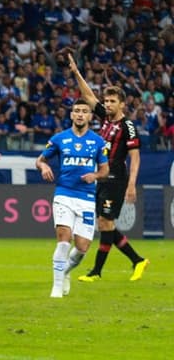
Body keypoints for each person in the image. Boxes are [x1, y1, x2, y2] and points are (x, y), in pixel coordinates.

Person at [67, 54, 149, 282]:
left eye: (113, 101)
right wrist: (75, 72)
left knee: (105, 223)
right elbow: (88, 96)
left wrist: (132, 185)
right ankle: (137, 260)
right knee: (105, 223)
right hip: (100, 177)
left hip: (116, 178)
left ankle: (96, 271)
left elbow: (135, 157)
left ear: (122, 104)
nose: (108, 104)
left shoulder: (128, 126)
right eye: (107, 100)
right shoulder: (105, 119)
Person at [36, 99, 109, 298]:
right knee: (63, 239)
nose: (79, 114)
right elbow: (40, 160)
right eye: (76, 111)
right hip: (64, 194)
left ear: (90, 116)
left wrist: (94, 176)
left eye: (84, 111)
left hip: (86, 198)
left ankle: (65, 271)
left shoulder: (97, 141)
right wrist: (44, 166)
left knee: (82, 247)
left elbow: (105, 169)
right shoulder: (59, 139)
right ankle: (56, 287)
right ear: (71, 115)